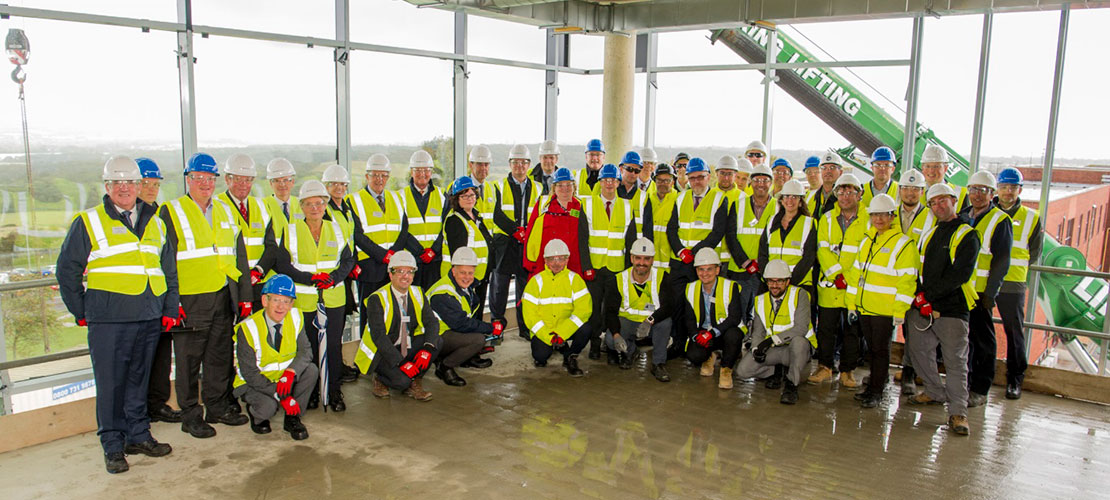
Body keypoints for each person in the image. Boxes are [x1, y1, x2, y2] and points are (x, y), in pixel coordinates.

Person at [57, 156, 179, 474]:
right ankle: (112, 444)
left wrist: (168, 307)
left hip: (148, 314)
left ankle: (138, 435)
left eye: (130, 183)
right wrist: (80, 310)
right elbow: (66, 269)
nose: (125, 189)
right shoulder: (89, 221)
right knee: (111, 384)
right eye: (117, 183)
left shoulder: (156, 221)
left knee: (139, 380)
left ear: (139, 186)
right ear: (108, 186)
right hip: (108, 319)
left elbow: (168, 269)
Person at [159, 152, 251, 438]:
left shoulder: (224, 210)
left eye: (209, 178)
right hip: (189, 300)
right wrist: (172, 302)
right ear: (187, 180)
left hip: (222, 295)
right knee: (188, 360)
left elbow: (239, 256)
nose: (204, 183)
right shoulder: (170, 211)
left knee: (219, 356)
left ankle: (217, 406)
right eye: (198, 178)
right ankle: (190, 414)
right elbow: (164, 261)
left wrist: (244, 295)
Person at [272, 180, 355, 412]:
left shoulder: (337, 229)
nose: (315, 208)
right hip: (304, 300)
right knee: (305, 348)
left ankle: (333, 391)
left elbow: (349, 260)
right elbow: (282, 264)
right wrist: (310, 279)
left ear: (325, 205)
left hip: (333, 298)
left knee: (333, 347)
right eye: (309, 204)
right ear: (301, 207)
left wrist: (334, 278)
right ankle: (309, 391)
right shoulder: (290, 231)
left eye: (319, 203)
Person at [906, 184, 980, 437]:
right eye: (934, 203)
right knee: (918, 351)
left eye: (943, 201)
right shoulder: (929, 234)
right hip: (923, 306)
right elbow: (918, 268)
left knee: (955, 362)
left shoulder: (966, 234)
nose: (938, 206)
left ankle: (958, 412)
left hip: (952, 308)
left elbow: (960, 274)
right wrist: (918, 296)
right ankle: (934, 391)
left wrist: (930, 297)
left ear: (954, 201)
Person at [845, 194, 919, 408]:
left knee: (880, 351)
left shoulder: (903, 244)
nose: (878, 219)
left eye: (883, 215)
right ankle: (871, 387)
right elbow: (856, 276)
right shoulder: (868, 240)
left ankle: (877, 391)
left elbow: (907, 281)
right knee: (872, 351)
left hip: (884, 311)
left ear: (892, 216)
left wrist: (899, 310)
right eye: (875, 214)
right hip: (865, 307)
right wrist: (852, 304)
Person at [232, 274, 318, 441]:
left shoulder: (295, 317)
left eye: (287, 301)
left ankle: (293, 417)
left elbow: (305, 351)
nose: (281, 307)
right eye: (276, 300)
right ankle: (256, 412)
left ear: (292, 303)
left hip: (283, 378)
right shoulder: (247, 328)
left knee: (311, 370)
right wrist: (281, 395)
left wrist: (291, 372)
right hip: (255, 383)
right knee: (267, 408)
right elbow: (249, 374)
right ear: (265, 301)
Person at [354, 250, 441, 401]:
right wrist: (401, 363)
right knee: (401, 382)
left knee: (436, 341)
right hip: (383, 352)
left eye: (409, 272)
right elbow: (379, 336)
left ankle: (416, 379)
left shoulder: (418, 293)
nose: (405, 276)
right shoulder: (377, 298)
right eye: (400, 271)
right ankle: (380, 378)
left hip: (406, 344)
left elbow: (432, 322)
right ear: (390, 274)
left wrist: (427, 348)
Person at [809, 173, 868, 388]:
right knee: (826, 328)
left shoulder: (868, 220)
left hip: (855, 286)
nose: (844, 196)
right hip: (830, 285)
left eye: (850, 191)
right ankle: (825, 367)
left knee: (852, 331)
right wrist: (836, 275)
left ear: (859, 194)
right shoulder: (826, 218)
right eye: (841, 191)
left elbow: (867, 251)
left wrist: (850, 279)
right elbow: (822, 249)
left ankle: (847, 371)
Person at [960, 170, 1013, 408]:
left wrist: (991, 293)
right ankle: (964, 384)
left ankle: (980, 388)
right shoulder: (962, 216)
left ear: (992, 194)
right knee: (962, 341)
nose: (977, 195)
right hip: (960, 290)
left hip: (980, 293)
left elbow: (1002, 261)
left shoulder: (1000, 220)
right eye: (973, 190)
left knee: (983, 342)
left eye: (983, 191)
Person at [135, 157, 180, 425]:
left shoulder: (160, 214)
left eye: (155, 184)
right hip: (135, 302)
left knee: (162, 357)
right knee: (138, 361)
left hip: (160, 299)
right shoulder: (130, 217)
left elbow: (169, 262)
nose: (151, 189)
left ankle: (157, 404)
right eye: (145, 183)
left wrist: (171, 303)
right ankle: (138, 409)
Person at [348, 153, 410, 334]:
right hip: (370, 268)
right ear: (367, 176)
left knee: (393, 313)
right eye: (375, 175)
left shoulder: (397, 198)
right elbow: (357, 235)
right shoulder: (354, 200)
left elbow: (404, 230)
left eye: (383, 175)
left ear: (388, 177)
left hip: (393, 268)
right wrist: (383, 255)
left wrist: (393, 255)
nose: (379, 179)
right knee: (370, 316)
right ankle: (368, 359)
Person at [738, 259, 814, 405]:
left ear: (788, 281)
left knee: (799, 342)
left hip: (797, 353)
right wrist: (756, 349)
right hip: (776, 351)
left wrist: (772, 340)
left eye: (779, 281)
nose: (774, 285)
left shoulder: (800, 295)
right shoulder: (760, 300)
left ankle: (791, 385)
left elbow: (801, 328)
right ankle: (776, 371)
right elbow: (758, 332)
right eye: (771, 281)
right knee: (743, 371)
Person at [994, 167, 1041, 400]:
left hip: (1013, 282)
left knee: (1014, 332)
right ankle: (978, 374)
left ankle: (1015, 379)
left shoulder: (1032, 217)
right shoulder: (987, 212)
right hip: (985, 279)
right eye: (1004, 187)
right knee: (977, 330)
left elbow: (1034, 251)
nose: (1008, 191)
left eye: (1013, 187)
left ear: (1019, 190)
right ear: (997, 189)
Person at [581, 163, 637, 359]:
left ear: (618, 182)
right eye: (605, 180)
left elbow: (631, 241)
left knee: (612, 308)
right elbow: (582, 239)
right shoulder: (587, 204)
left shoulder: (627, 206)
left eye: (613, 180)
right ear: (600, 182)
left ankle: (611, 345)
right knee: (595, 309)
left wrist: (629, 269)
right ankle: (595, 344)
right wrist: (586, 266)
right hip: (595, 268)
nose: (609, 184)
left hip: (616, 268)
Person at [604, 238, 677, 381]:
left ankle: (658, 364)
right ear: (631, 258)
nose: (642, 263)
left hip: (651, 326)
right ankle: (630, 352)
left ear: (652, 260)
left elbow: (669, 306)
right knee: (610, 340)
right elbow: (610, 311)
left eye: (646, 259)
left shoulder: (662, 277)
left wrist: (649, 321)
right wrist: (616, 335)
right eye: (638, 258)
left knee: (665, 322)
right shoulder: (618, 279)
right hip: (628, 323)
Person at [521, 239, 593, 376]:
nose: (556, 263)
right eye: (551, 259)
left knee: (586, 328)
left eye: (561, 259)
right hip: (545, 330)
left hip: (566, 328)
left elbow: (584, 310)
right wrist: (549, 337)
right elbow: (530, 316)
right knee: (540, 357)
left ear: (567, 260)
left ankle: (570, 356)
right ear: (545, 261)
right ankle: (555, 346)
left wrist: (562, 333)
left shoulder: (575, 280)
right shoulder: (535, 282)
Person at [491, 147, 541, 340]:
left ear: (529, 165)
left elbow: (539, 214)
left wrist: (526, 233)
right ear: (510, 164)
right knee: (499, 289)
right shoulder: (499, 186)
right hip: (505, 243)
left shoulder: (537, 188)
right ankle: (497, 329)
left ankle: (524, 327)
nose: (520, 166)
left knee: (525, 289)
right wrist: (514, 230)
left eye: (524, 162)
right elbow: (496, 213)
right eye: (516, 162)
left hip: (526, 243)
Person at [321, 163, 364, 384]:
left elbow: (353, 238)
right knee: (331, 328)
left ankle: (338, 366)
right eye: (334, 184)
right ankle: (332, 369)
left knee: (340, 325)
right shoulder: (325, 211)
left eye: (342, 184)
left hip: (346, 271)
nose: (338, 188)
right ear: (326, 186)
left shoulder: (346, 209)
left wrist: (354, 261)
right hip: (334, 274)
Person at [428, 247, 496, 387]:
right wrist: (491, 328)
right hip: (433, 337)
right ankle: (444, 366)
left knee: (476, 328)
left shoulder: (464, 286)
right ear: (453, 271)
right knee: (478, 339)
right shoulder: (444, 293)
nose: (467, 277)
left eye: (470, 273)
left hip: (447, 331)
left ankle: (467, 358)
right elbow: (460, 324)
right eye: (463, 273)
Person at [683, 248, 744, 390]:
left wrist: (712, 333)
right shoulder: (690, 288)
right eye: (701, 269)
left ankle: (726, 369)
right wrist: (695, 336)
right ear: (696, 271)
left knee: (733, 335)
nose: (705, 274)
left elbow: (735, 317)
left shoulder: (730, 287)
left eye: (709, 269)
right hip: (704, 334)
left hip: (725, 332)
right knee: (694, 355)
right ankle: (710, 356)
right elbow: (689, 319)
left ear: (717, 270)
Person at [219, 154, 271, 310]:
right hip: (231, 286)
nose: (243, 184)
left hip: (259, 283)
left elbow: (272, 246)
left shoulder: (262, 206)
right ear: (227, 179)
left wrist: (259, 270)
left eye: (248, 180)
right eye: (238, 179)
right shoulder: (217, 206)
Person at [665, 158, 728, 286]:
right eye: (692, 178)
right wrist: (681, 251)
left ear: (708, 176)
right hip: (680, 262)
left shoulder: (719, 199)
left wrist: (694, 253)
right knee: (677, 302)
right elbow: (671, 229)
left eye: (700, 177)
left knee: (701, 302)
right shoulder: (681, 198)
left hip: (705, 263)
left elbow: (718, 232)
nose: (696, 181)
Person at [725, 163, 775, 322]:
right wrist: (746, 262)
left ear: (770, 183)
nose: (761, 184)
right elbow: (730, 236)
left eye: (765, 180)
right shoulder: (738, 205)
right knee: (737, 311)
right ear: (750, 183)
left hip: (765, 270)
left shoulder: (778, 206)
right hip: (740, 269)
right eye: (757, 180)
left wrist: (762, 263)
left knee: (763, 311)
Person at [523, 167, 593, 276]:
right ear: (554, 187)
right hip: (546, 263)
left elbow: (587, 237)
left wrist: (587, 266)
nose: (565, 188)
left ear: (574, 187)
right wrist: (529, 260)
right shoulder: (543, 204)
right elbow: (530, 233)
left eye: (568, 184)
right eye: (560, 185)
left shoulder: (581, 206)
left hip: (574, 264)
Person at [441, 176, 494, 318]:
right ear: (456, 199)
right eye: (464, 196)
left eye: (472, 194)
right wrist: (468, 276)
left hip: (479, 276)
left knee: (477, 311)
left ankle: (477, 336)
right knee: (465, 313)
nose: (469, 198)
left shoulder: (476, 216)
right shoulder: (455, 220)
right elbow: (458, 254)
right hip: (464, 277)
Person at [758, 179, 817, 301]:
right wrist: (769, 279)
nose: (790, 200)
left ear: (801, 202)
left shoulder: (809, 223)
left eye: (795, 197)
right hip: (772, 286)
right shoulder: (771, 221)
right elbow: (763, 253)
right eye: (787, 196)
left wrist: (788, 282)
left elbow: (808, 258)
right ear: (781, 200)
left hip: (799, 284)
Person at [401, 150, 446, 289]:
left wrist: (433, 250)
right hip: (412, 261)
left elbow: (446, 226)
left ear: (431, 172)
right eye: (418, 170)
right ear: (411, 172)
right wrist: (421, 252)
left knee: (433, 300)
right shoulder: (401, 197)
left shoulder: (442, 195)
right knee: (413, 302)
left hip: (435, 260)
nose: (422, 174)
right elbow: (401, 230)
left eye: (426, 170)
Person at [639, 163, 679, 271]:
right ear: (654, 181)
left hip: (672, 262)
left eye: (667, 180)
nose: (663, 184)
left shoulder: (679, 200)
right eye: (659, 180)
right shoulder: (648, 200)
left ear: (673, 182)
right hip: (651, 261)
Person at [713, 155, 746, 272]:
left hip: (733, 260)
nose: (726, 178)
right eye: (722, 173)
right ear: (716, 173)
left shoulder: (744, 198)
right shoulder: (709, 196)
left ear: (735, 175)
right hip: (711, 257)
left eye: (730, 174)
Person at [920, 143, 970, 212]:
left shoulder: (960, 195)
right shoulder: (915, 192)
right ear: (922, 168)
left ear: (945, 168)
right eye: (927, 166)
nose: (931, 171)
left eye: (936, 166)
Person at [263, 158, 302, 240]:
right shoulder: (263, 206)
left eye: (286, 180)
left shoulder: (302, 204)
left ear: (292, 182)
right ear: (271, 183)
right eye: (277, 181)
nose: (282, 184)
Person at [469, 144, 500, 237]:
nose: (483, 168)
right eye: (479, 164)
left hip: (488, 245)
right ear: (471, 165)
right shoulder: (461, 189)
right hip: (469, 246)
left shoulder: (493, 189)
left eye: (486, 164)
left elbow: (499, 217)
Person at [860, 146, 899, 211]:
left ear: (893, 169)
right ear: (872, 168)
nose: (882, 168)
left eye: (887, 165)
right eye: (878, 165)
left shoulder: (900, 190)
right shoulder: (862, 190)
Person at [806, 151, 843, 218]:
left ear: (840, 172)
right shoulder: (813, 198)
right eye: (824, 168)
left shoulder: (845, 199)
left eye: (832, 168)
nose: (828, 171)